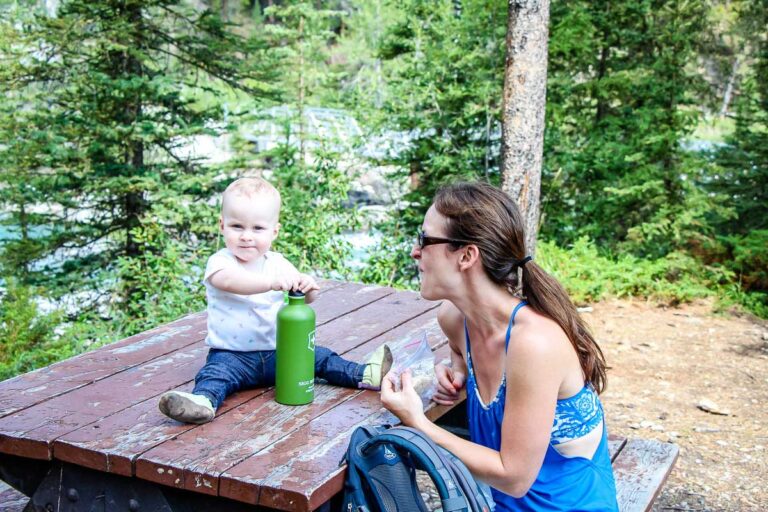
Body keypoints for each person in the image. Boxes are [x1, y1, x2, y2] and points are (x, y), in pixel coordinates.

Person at [381, 182, 619, 511]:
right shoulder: (454, 319)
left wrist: (417, 422)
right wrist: (459, 373)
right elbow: (459, 351)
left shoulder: (534, 344)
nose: (415, 251)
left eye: (425, 239)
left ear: (466, 255)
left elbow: (514, 477)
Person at [159, 177, 385, 424]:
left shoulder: (278, 263)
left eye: (257, 229)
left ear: (274, 231)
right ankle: (202, 403)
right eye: (237, 226)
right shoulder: (221, 262)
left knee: (320, 358)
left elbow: (304, 298)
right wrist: (269, 282)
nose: (246, 236)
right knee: (214, 375)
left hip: (282, 353)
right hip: (233, 355)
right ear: (221, 225)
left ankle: (364, 374)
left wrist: (308, 288)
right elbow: (229, 281)